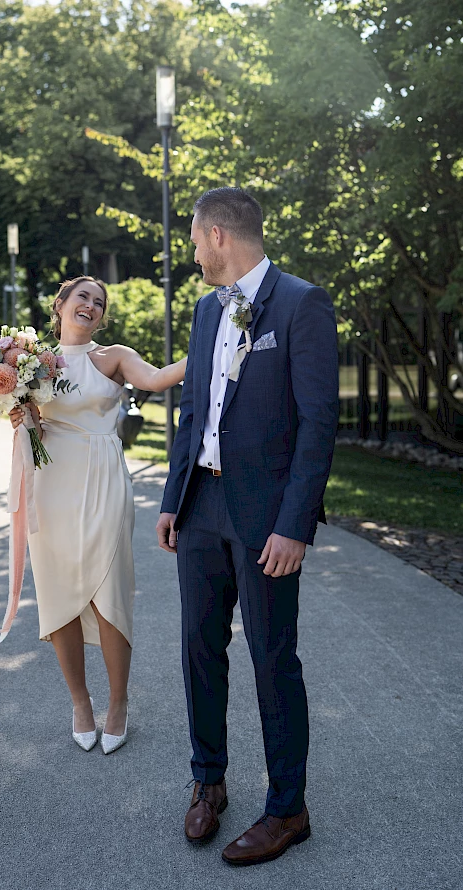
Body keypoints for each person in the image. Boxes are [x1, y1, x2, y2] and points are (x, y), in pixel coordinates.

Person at [156, 188, 339, 865]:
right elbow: (194, 414)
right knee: (198, 648)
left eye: (195, 240)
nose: (193, 252)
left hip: (267, 520)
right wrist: (175, 498)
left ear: (218, 235)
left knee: (270, 658)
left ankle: (288, 810)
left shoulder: (302, 304)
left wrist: (295, 526)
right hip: (202, 506)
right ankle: (209, 782)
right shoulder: (205, 311)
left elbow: (319, 425)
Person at [9, 276, 186, 755]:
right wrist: (22, 416)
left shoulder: (114, 358)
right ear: (61, 305)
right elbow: (34, 433)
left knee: (110, 590)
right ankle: (80, 702)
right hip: (53, 487)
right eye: (83, 297)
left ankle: (119, 702)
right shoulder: (31, 364)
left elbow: (157, 378)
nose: (91, 305)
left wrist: (213, 346)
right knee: (59, 591)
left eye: (100, 302)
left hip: (105, 481)